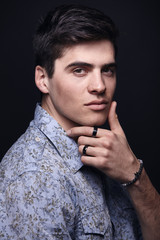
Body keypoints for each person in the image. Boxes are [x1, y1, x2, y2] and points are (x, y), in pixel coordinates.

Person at [0, 4, 160, 240]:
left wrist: (136, 175)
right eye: (79, 70)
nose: (100, 86)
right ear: (43, 79)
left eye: (107, 70)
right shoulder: (32, 178)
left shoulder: (115, 158)